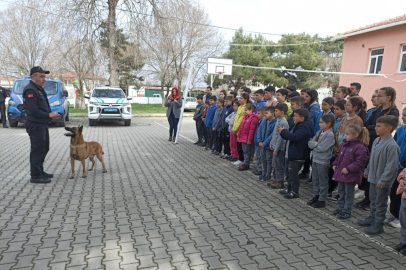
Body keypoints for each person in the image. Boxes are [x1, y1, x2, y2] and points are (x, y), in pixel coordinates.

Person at [357, 87, 399, 210]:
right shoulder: (377, 110)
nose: (377, 98)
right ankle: (367, 198)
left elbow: (373, 128)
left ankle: (373, 205)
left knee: (377, 173)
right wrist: (370, 128)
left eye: (380, 96)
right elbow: (367, 124)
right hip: (371, 142)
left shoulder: (393, 112)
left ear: (388, 97)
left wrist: (369, 129)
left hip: (380, 143)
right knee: (369, 171)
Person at [358, 116, 400, 235]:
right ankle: (372, 217)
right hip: (372, 177)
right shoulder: (377, 140)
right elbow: (372, 158)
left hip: (381, 182)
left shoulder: (392, 146)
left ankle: (379, 224)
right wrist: (367, 171)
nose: (375, 128)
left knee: (380, 203)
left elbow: (391, 166)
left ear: (388, 128)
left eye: (378, 126)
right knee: (373, 200)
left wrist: (384, 181)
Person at [23, 66, 60, 184]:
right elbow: (33, 111)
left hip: (41, 124)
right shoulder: (30, 90)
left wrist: (49, 115)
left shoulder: (38, 88)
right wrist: (49, 115)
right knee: (37, 150)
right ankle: (35, 176)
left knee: (44, 148)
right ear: (33, 77)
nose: (44, 79)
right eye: (41, 76)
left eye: (45, 76)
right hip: (35, 125)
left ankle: (40, 171)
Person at [331, 125, 369, 219]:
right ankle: (341, 208)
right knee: (341, 193)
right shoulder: (345, 144)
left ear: (355, 135)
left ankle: (347, 211)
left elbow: (360, 162)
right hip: (341, 174)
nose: (345, 136)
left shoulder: (360, 147)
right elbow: (340, 157)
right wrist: (335, 164)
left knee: (349, 194)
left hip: (350, 175)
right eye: (345, 134)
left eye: (347, 134)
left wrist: (349, 169)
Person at [277, 108, 313, 199]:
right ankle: (288, 188)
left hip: (297, 155)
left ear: (302, 118)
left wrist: (283, 131)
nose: (293, 118)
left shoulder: (304, 127)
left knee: (293, 174)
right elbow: (289, 136)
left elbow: (294, 137)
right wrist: (282, 132)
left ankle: (294, 191)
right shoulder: (296, 125)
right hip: (290, 154)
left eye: (296, 116)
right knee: (288, 173)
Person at [307, 114, 336, 208]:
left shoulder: (330, 135)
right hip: (315, 159)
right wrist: (316, 144)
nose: (319, 124)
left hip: (323, 161)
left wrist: (315, 145)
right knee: (315, 180)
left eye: (321, 122)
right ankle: (316, 196)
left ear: (328, 124)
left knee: (322, 181)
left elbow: (322, 148)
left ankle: (322, 199)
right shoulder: (320, 132)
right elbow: (310, 143)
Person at [388, 107, 406, 228]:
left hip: (404, 169)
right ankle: (395, 213)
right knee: (393, 192)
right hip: (396, 167)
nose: (403, 117)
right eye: (403, 115)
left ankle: (401, 218)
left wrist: (402, 164)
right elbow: (394, 145)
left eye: (405, 115)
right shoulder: (400, 129)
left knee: (401, 195)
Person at [269, 103, 289, 189]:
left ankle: (280, 181)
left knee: (279, 165)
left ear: (282, 112)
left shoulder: (283, 122)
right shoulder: (278, 120)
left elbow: (281, 138)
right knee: (274, 164)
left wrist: (276, 149)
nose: (275, 112)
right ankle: (276, 179)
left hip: (279, 148)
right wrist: (271, 143)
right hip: (274, 146)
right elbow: (274, 134)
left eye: (276, 111)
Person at [237, 103, 258, 171]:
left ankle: (246, 164)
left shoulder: (253, 118)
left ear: (251, 110)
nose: (244, 111)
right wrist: (239, 135)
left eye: (246, 110)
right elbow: (241, 127)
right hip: (243, 137)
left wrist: (249, 139)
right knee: (245, 151)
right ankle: (245, 162)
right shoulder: (245, 117)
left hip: (247, 138)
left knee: (247, 152)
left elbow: (252, 130)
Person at [259, 106, 277, 182]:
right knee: (263, 159)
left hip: (268, 146)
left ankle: (268, 175)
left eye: (267, 113)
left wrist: (265, 143)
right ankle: (264, 173)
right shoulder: (264, 121)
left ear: (272, 114)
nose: (265, 114)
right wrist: (259, 141)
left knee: (268, 160)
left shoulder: (275, 122)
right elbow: (259, 131)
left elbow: (272, 135)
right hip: (262, 145)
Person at [232, 93, 250, 166]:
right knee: (238, 145)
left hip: (240, 130)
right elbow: (236, 119)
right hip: (236, 130)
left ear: (245, 100)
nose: (240, 100)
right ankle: (240, 158)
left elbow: (241, 120)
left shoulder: (245, 108)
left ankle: (242, 159)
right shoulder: (240, 107)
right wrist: (234, 127)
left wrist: (236, 128)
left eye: (241, 98)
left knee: (241, 146)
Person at [394, 168, 406, 255]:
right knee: (403, 220)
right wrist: (401, 179)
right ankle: (403, 242)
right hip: (404, 196)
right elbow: (404, 171)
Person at [253, 107, 266, 176]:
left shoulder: (264, 122)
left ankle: (260, 169)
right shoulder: (259, 121)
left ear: (263, 114)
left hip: (260, 142)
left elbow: (261, 132)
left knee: (260, 156)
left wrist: (260, 140)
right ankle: (258, 168)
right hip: (257, 141)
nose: (257, 115)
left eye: (259, 113)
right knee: (257, 156)